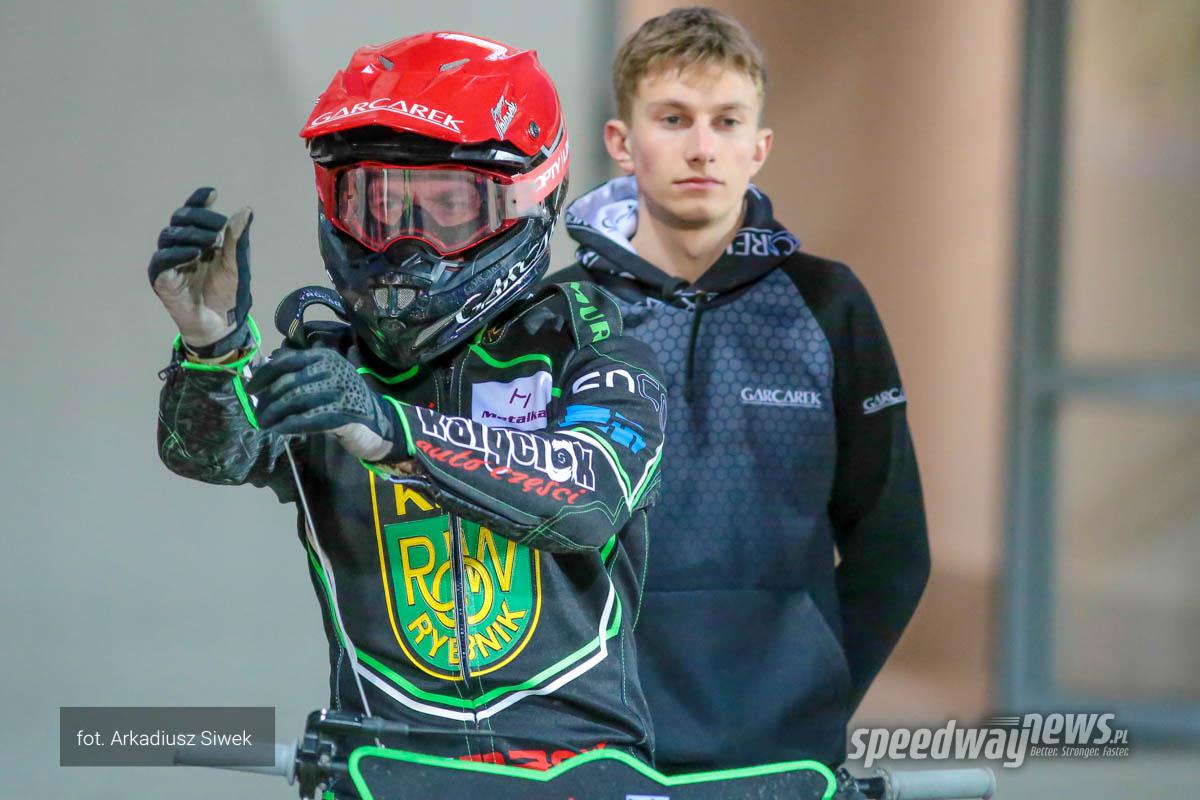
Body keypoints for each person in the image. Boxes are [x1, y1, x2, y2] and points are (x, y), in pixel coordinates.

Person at [147, 31, 667, 783]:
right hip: (382, 768)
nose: (405, 245)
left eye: (448, 206)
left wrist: (391, 430)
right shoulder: (329, 364)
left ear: (528, 198)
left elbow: (590, 496)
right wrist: (210, 346)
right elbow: (210, 453)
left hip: (578, 774)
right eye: (380, 206)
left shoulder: (591, 350)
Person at [554, 7, 930, 772]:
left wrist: (816, 696)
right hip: (589, 743)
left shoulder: (828, 305)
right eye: (673, 119)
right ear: (621, 142)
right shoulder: (555, 317)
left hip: (783, 748)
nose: (702, 148)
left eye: (727, 122)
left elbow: (892, 547)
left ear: (758, 148)